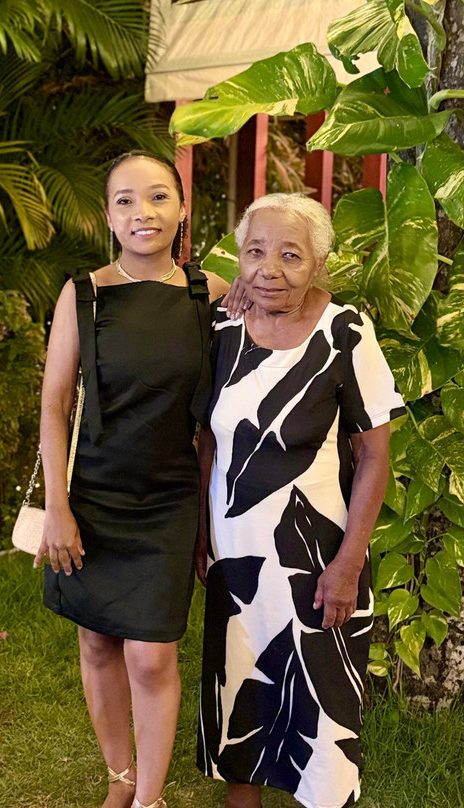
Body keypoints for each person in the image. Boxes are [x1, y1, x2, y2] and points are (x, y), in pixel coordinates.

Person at [195, 193, 406, 808]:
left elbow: (374, 456)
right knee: (240, 693)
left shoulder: (345, 332)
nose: (270, 269)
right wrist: (202, 536)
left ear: (319, 263)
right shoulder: (222, 327)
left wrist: (348, 564)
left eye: (291, 255)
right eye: (255, 252)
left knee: (323, 703)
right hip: (236, 552)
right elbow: (208, 440)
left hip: (316, 553)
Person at [35, 151, 231, 808]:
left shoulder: (211, 295)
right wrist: (57, 507)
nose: (142, 213)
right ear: (108, 216)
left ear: (182, 209)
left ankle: (150, 799)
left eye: (157, 197)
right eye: (125, 200)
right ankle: (121, 778)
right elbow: (54, 404)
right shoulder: (84, 294)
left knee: (151, 655)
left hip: (171, 497)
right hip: (93, 496)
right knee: (97, 643)